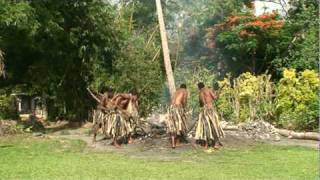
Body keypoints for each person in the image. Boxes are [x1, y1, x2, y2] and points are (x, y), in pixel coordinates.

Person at [195, 82, 224, 149]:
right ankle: (216, 142)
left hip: (205, 111)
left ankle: (207, 143)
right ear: (204, 85)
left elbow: (201, 104)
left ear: (199, 87)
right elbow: (215, 98)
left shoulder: (200, 92)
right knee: (214, 126)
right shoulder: (209, 90)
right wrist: (218, 93)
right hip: (211, 109)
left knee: (206, 127)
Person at [166, 84, 188, 149]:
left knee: (173, 127)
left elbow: (172, 100)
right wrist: (184, 107)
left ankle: (173, 144)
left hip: (171, 108)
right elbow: (184, 101)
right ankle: (177, 142)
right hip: (177, 108)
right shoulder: (184, 91)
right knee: (178, 125)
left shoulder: (177, 91)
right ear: (185, 88)